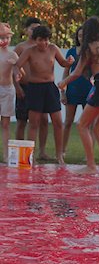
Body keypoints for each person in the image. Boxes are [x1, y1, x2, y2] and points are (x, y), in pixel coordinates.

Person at [58, 16, 99, 177]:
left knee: (82, 125)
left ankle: (91, 166)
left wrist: (63, 82)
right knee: (98, 128)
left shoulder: (89, 47)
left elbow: (77, 72)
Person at [16, 25, 74, 165]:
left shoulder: (53, 48)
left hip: (50, 87)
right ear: (35, 40)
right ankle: (31, 156)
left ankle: (59, 155)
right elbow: (17, 65)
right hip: (35, 88)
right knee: (34, 123)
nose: (44, 43)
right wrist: (18, 76)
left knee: (58, 122)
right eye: (41, 40)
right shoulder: (29, 51)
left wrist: (69, 62)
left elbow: (63, 63)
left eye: (46, 40)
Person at [14, 17, 50, 159]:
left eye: (37, 28)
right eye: (32, 28)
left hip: (40, 88)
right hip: (24, 87)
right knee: (22, 121)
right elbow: (14, 68)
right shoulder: (21, 47)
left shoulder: (45, 47)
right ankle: (20, 152)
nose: (35, 31)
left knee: (44, 120)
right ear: (26, 30)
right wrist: (17, 87)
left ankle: (42, 151)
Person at [61, 26, 92, 157]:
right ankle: (62, 150)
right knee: (68, 121)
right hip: (73, 88)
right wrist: (63, 92)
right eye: (79, 35)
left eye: (84, 35)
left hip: (88, 89)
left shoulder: (92, 51)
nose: (82, 38)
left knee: (87, 124)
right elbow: (66, 72)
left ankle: (88, 153)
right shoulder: (71, 51)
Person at [0, 22, 19, 162]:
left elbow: (20, 71)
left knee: (5, 124)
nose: (5, 40)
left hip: (7, 90)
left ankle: (6, 154)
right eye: (2, 37)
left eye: (7, 37)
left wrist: (17, 70)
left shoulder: (12, 54)